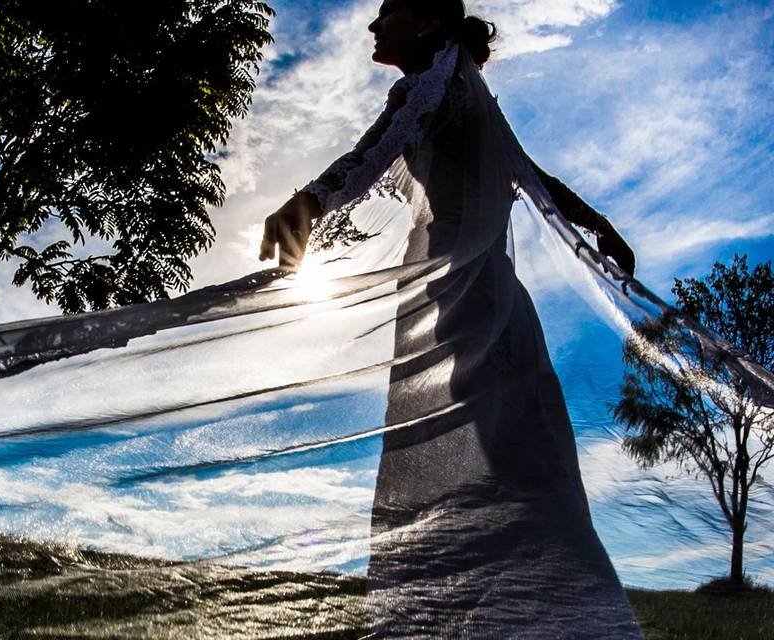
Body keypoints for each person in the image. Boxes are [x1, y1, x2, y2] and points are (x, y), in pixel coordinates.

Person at [259, 1, 644, 637]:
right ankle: (514, 611)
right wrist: (597, 222)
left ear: (430, 19)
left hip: (464, 299)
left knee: (506, 461)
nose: (374, 25)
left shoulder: (432, 88)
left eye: (389, 11)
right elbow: (532, 175)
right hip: (496, 299)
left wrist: (309, 202)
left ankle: (502, 612)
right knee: (522, 460)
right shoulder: (463, 87)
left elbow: (378, 150)